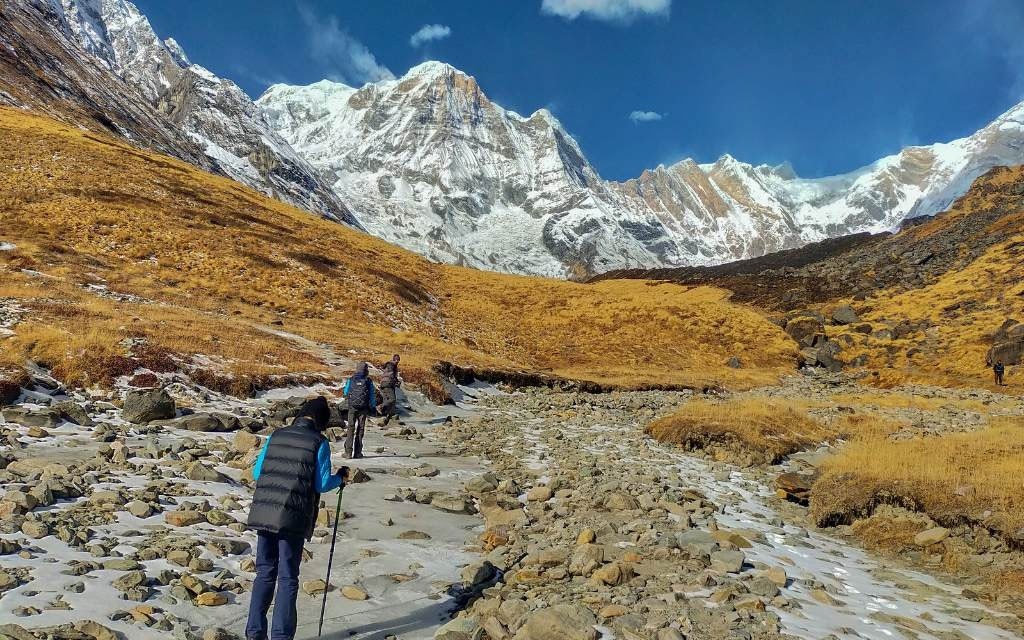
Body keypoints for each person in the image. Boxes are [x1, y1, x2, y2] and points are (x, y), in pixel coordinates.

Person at [245, 397, 349, 640]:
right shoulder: (318, 442)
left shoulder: (276, 435)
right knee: (288, 577)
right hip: (292, 518)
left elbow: (257, 472)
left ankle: (254, 633)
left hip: (264, 513)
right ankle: (281, 636)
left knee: (264, 572)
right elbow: (322, 484)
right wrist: (341, 478)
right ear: (321, 421)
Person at [343, 362, 376, 459]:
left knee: (350, 428)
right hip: (363, 408)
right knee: (360, 429)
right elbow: (372, 395)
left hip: (352, 407)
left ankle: (348, 452)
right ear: (366, 370)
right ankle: (358, 453)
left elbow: (345, 392)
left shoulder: (351, 379)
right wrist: (373, 406)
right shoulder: (368, 381)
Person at [379, 354, 401, 427]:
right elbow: (391, 375)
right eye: (397, 360)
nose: (398, 362)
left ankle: (384, 419)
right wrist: (396, 382)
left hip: (383, 383)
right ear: (395, 360)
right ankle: (380, 407)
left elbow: (384, 371)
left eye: (398, 360)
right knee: (392, 399)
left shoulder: (387, 364)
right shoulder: (392, 365)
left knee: (387, 400)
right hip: (388, 384)